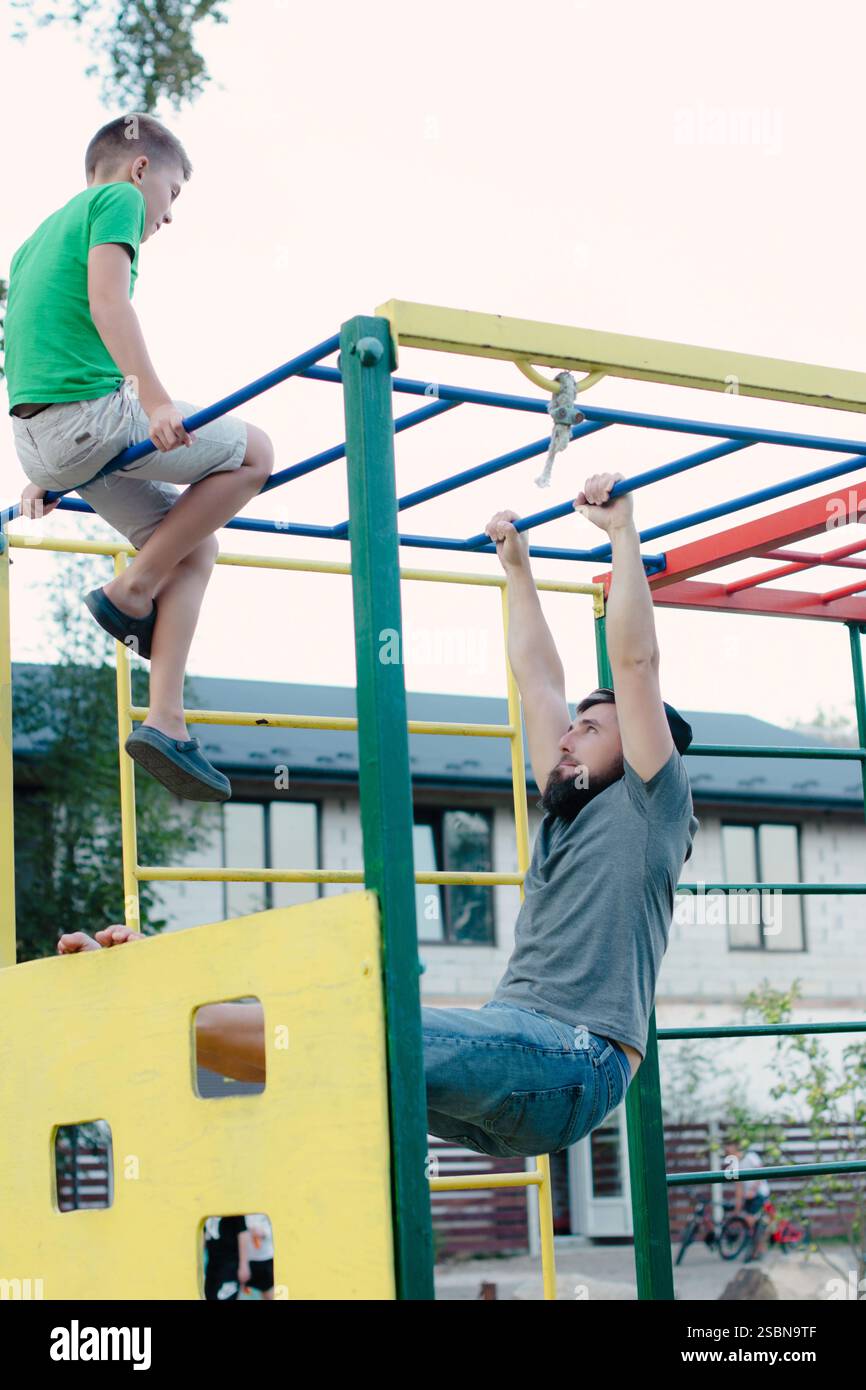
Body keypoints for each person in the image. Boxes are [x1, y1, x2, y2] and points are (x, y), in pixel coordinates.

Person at [55, 471, 700, 1163]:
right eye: (573, 727)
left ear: (635, 746)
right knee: (332, 1056)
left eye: (591, 730)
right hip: (518, 1077)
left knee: (360, 1027)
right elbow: (539, 682)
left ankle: (165, 1006)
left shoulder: (650, 805)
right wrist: (518, 572)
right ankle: (161, 1008)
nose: (568, 737)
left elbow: (636, 664)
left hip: (572, 1058)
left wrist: (624, 534)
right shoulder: (567, 800)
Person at [5, 113, 274, 802]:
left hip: (43, 439)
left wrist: (45, 471)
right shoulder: (117, 198)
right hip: (90, 419)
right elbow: (107, 302)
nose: (169, 215)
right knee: (256, 454)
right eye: (175, 194)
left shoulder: (34, 243)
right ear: (141, 169)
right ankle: (130, 592)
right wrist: (155, 402)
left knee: (194, 549)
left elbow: (36, 345)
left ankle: (166, 721)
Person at [725, 1139, 771, 1259]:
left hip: (760, 1193)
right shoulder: (734, 1165)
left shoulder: (750, 1157)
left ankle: (759, 1247)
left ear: (735, 1147)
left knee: (753, 1220)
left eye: (729, 1146)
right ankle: (756, 1246)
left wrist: (753, 1190)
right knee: (748, 1221)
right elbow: (739, 1187)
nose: (726, 1150)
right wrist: (738, 1206)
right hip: (748, 1197)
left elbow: (761, 1172)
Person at [203, 1214, 251, 1301]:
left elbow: (242, 1233)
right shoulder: (206, 1209)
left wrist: (244, 1265)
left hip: (230, 1267)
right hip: (212, 1268)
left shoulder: (233, 1209)